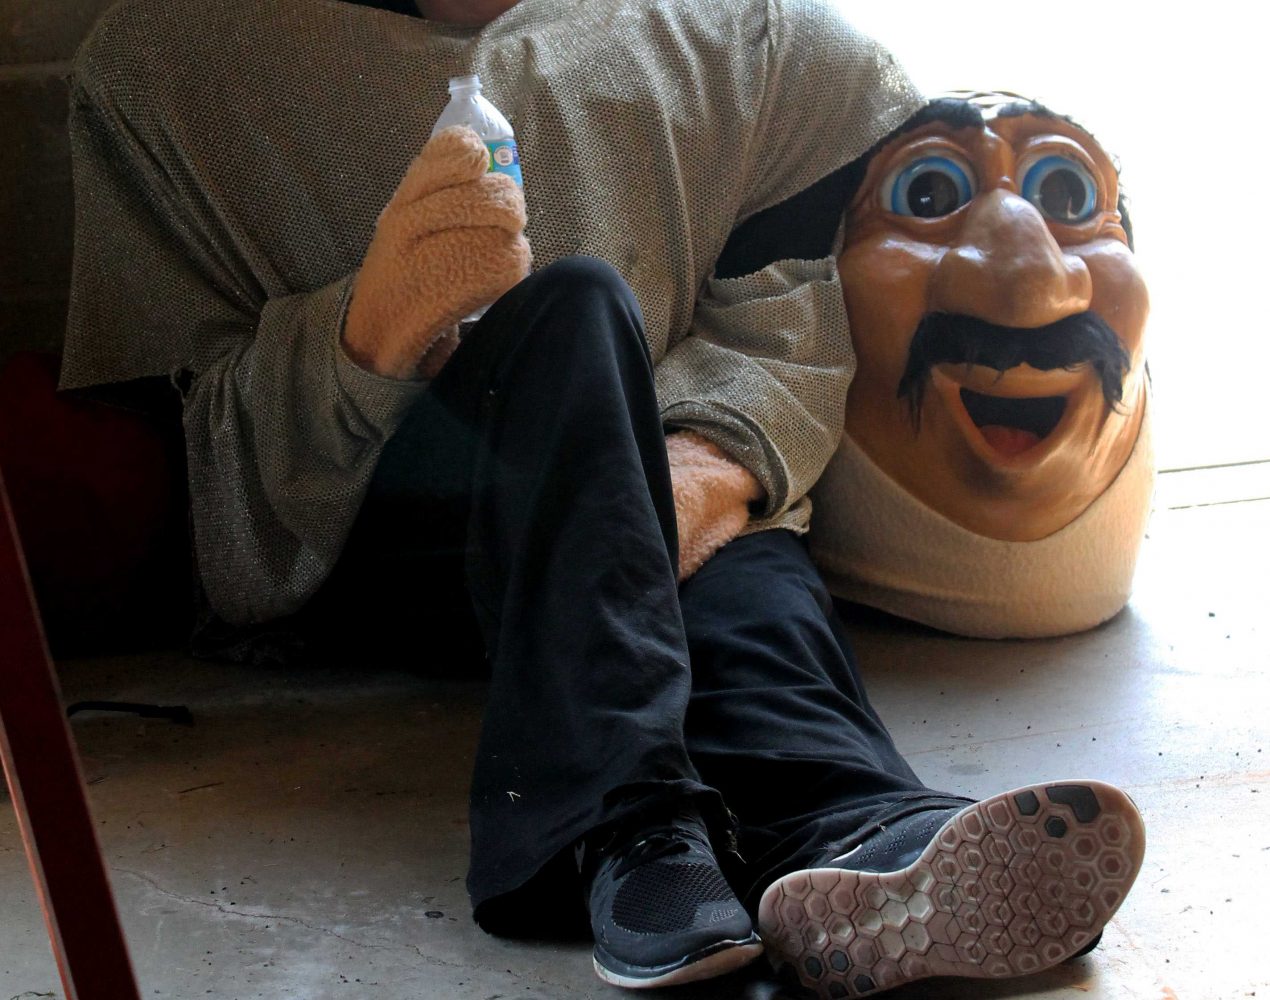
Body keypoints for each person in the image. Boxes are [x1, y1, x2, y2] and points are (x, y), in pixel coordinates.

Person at [60, 0, 1146, 994]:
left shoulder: (747, 42)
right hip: (388, 534)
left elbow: (782, 328)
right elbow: (188, 472)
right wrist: (368, 330)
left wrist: (690, 473)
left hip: (654, 480)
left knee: (750, 563)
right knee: (575, 302)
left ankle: (861, 831)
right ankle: (626, 829)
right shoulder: (167, 63)